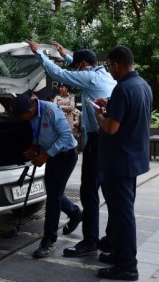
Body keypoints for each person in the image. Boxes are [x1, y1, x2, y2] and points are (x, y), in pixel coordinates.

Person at [26, 40, 117, 257]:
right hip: (109, 139)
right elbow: (79, 67)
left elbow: (59, 74)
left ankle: (90, 242)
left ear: (84, 65)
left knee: (89, 192)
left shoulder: (90, 77)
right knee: (107, 192)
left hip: (97, 139)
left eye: (76, 66)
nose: (76, 71)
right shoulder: (103, 74)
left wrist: (39, 53)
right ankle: (109, 239)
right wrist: (66, 55)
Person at [93, 46, 152, 281]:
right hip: (134, 159)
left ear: (116, 64)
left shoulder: (122, 88)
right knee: (121, 214)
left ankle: (128, 266)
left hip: (119, 162)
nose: (109, 71)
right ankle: (119, 255)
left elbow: (110, 127)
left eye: (109, 66)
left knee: (123, 215)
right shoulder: (143, 86)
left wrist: (98, 113)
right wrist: (109, 108)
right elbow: (130, 117)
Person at [9, 94, 82, 259]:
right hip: (51, 155)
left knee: (53, 198)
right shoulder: (33, 114)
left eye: (21, 116)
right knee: (54, 193)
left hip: (65, 155)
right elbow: (38, 133)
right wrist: (34, 147)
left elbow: (65, 136)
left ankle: (49, 239)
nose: (20, 119)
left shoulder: (51, 111)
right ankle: (75, 213)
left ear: (29, 110)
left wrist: (45, 156)